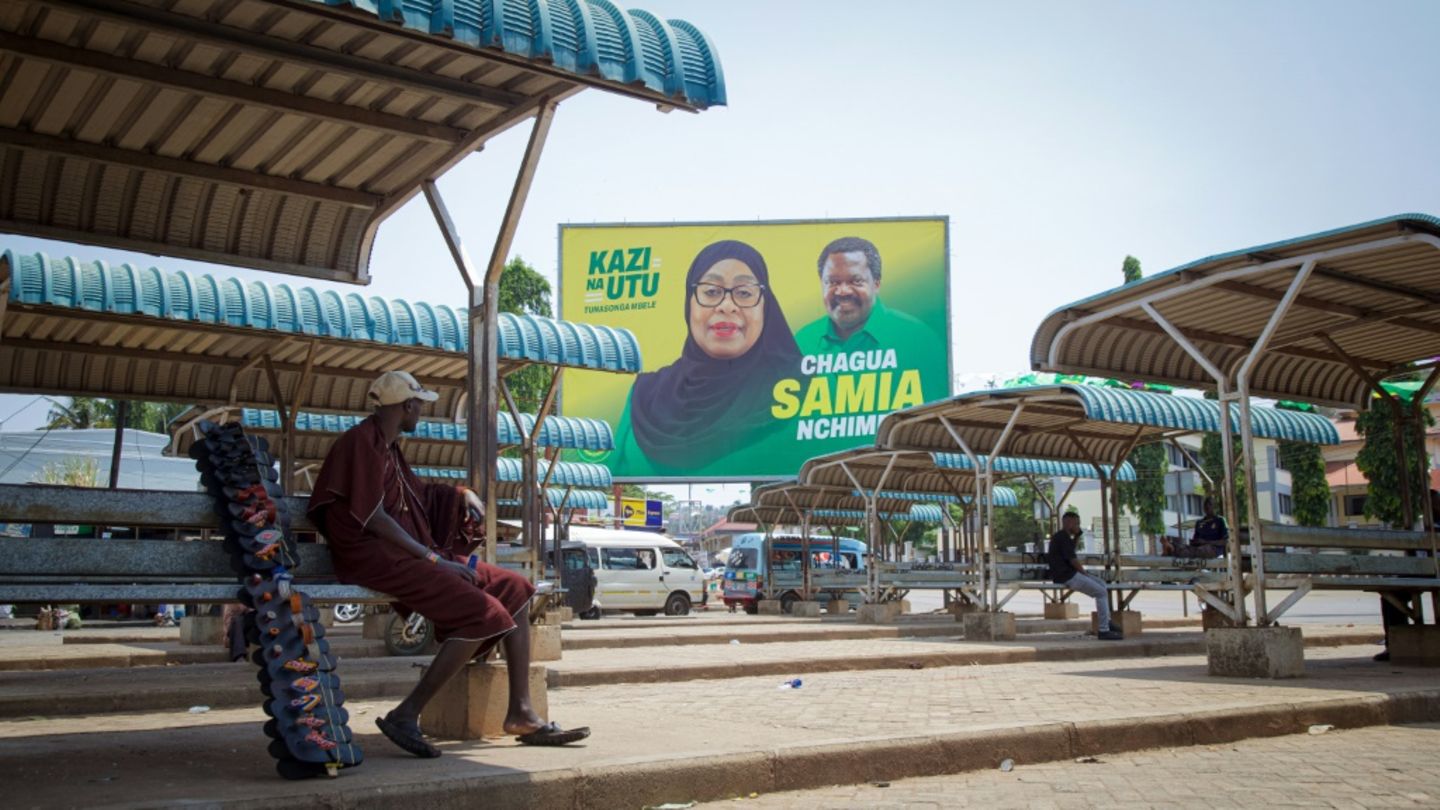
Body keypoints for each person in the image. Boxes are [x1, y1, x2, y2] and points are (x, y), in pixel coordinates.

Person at [307, 370, 588, 756]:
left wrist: (459, 494)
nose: (421, 411)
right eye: (419, 404)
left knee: (516, 589)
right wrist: (433, 558)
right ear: (407, 406)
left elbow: (417, 496)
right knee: (483, 613)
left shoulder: (388, 447)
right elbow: (373, 516)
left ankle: (521, 712)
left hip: (408, 552)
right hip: (374, 557)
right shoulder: (361, 443)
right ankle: (406, 714)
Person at [612, 240, 802, 476]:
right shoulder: (644, 394)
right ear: (689, 302)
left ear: (766, 305)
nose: (727, 306)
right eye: (711, 292)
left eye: (744, 293)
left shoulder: (801, 387)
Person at [792, 236, 944, 361]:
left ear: (876, 284)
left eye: (856, 281)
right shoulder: (802, 342)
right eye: (833, 282)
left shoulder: (917, 339)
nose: (843, 291)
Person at [1374, 488, 1440, 662]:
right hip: (1424, 572)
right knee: (1391, 595)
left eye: (1434, 503)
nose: (1431, 507)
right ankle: (1395, 645)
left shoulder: (1433, 526)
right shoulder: (1420, 525)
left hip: (1433, 570)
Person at [1047, 512, 1123, 640]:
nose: (1078, 525)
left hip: (1069, 574)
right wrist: (1083, 573)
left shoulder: (1064, 537)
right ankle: (1103, 630)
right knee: (1100, 593)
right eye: (1076, 523)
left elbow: (1072, 550)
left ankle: (1107, 621)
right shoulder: (1061, 537)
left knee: (1101, 584)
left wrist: (1077, 535)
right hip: (1067, 575)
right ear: (1069, 522)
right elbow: (1073, 560)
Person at [1162, 497, 1228, 558]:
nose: (1207, 506)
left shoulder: (1220, 520)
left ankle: (1172, 550)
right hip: (1197, 548)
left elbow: (1224, 541)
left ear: (1214, 506)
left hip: (1213, 549)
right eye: (1205, 504)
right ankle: (1171, 547)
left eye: (1210, 504)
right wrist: (1194, 542)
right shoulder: (1199, 522)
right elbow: (1195, 540)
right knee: (1184, 547)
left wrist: (1206, 542)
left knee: (1201, 550)